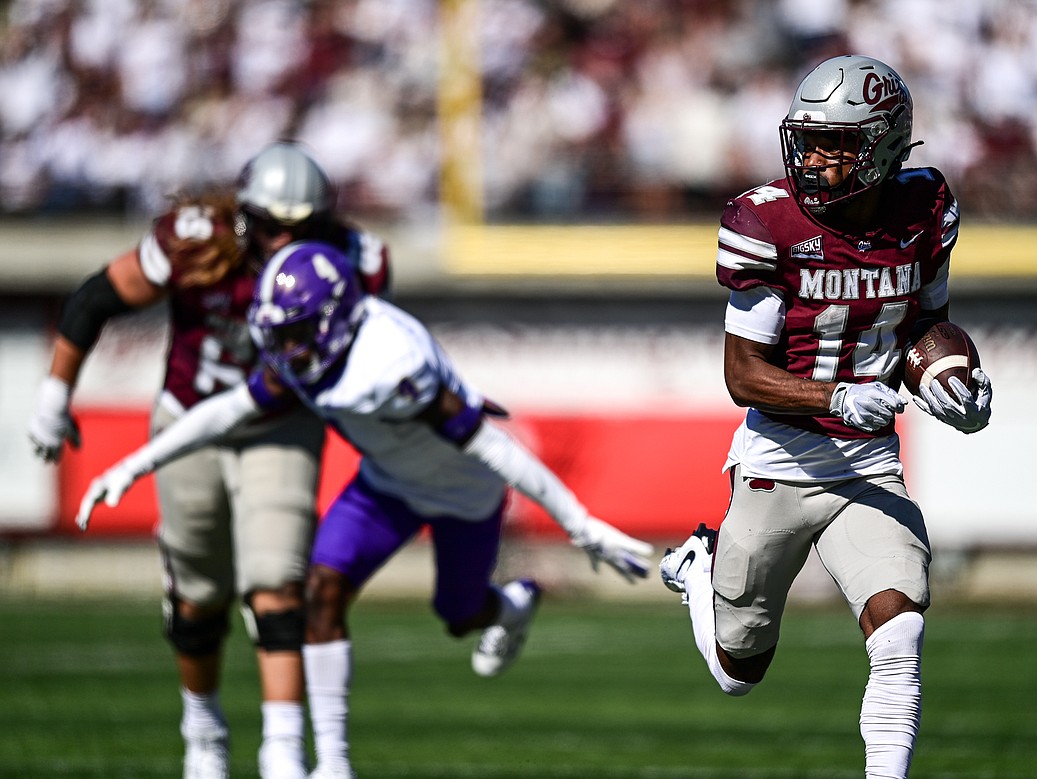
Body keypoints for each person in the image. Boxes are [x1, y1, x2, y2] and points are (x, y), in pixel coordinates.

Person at [74, 240, 654, 779]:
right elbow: (229, 409)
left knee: (458, 615)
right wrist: (138, 463)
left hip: (463, 494)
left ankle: (511, 604)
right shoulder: (309, 356)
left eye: (297, 332)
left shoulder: (394, 362)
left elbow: (493, 446)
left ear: (334, 319)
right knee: (321, 591)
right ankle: (333, 763)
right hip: (385, 485)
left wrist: (579, 525)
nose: (286, 349)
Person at [658, 55, 992, 779]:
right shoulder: (769, 222)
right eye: (810, 140)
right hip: (781, 463)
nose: (816, 157)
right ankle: (697, 566)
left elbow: (925, 327)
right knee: (737, 670)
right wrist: (834, 396)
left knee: (899, 629)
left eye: (839, 143)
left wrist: (952, 378)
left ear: (886, 143)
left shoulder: (925, 208)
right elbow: (741, 374)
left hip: (868, 466)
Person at [28, 143, 391, 779]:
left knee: (277, 581)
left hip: (280, 423)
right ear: (246, 216)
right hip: (188, 418)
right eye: (276, 226)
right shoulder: (196, 241)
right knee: (196, 597)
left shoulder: (354, 258)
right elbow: (93, 300)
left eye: (303, 229)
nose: (288, 241)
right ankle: (204, 727)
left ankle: (283, 749)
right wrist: (56, 394)